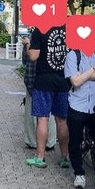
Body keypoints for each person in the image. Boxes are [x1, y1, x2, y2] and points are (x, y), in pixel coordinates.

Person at [63, 47, 95, 189]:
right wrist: (92, 71)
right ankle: (79, 172)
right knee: (75, 140)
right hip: (77, 102)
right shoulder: (73, 55)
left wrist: (82, 75)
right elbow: (75, 82)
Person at [26, 25, 70, 169]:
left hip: (43, 81)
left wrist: (27, 45)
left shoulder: (40, 29)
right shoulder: (68, 27)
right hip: (63, 80)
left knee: (42, 119)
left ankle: (40, 157)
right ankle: (64, 157)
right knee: (62, 121)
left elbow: (33, 56)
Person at [21, 34, 56, 151]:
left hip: (33, 81)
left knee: (32, 115)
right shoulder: (54, 38)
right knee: (49, 116)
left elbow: (27, 59)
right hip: (49, 81)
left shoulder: (32, 39)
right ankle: (49, 142)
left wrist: (27, 45)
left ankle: (33, 141)